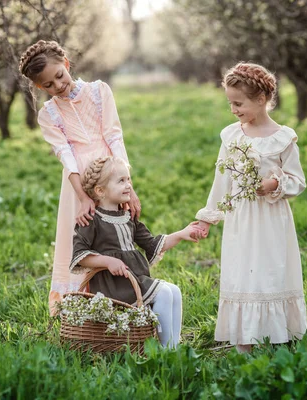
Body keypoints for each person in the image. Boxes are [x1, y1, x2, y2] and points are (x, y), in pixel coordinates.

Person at [19, 40, 141, 316]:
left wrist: (127, 186)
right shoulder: (47, 114)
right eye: (48, 85)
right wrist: (83, 197)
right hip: (77, 187)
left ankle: (122, 303)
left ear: (67, 64)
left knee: (115, 236)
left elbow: (114, 136)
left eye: (59, 76)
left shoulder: (99, 92)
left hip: (111, 177)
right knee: (83, 241)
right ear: (40, 88)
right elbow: (66, 155)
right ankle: (80, 311)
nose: (58, 86)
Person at [193, 62, 307, 353]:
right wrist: (208, 217)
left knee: (271, 270)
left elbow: (297, 180)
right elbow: (222, 180)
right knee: (243, 271)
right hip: (241, 218)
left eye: (238, 103)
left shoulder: (283, 138)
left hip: (271, 218)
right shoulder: (232, 136)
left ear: (261, 100)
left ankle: (278, 333)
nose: (233, 109)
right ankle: (244, 338)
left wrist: (274, 184)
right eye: (230, 103)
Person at [71, 156, 200, 348]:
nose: (128, 186)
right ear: (100, 191)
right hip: (113, 285)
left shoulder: (128, 216)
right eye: (121, 181)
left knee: (174, 291)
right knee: (164, 293)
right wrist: (107, 261)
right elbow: (80, 255)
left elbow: (152, 244)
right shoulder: (92, 220)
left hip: (134, 279)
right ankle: (164, 350)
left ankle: (173, 346)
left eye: (129, 179)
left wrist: (181, 234)